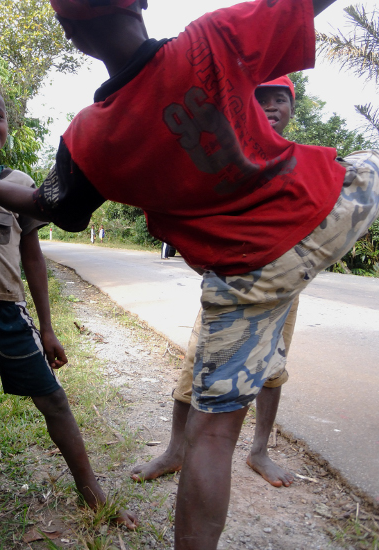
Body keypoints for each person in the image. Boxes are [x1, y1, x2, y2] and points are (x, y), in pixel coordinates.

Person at [0, 1, 379, 548]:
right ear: (141, 3)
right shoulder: (211, 38)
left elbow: (47, 206)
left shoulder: (91, 139)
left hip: (246, 277)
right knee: (369, 162)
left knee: (211, 437)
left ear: (70, 33)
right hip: (335, 206)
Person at [0, 85, 136, 545]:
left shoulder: (19, 186)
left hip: (7, 314)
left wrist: (49, 327)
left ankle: (89, 487)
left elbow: (33, 257)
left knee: (53, 399)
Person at [134, 75, 300, 488]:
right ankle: (175, 450)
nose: (271, 106)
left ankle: (258, 451)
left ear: (292, 110)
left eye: (280, 99)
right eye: (261, 100)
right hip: (228, 282)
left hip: (283, 285)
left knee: (272, 370)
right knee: (195, 365)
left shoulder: (300, 160)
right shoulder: (226, 158)